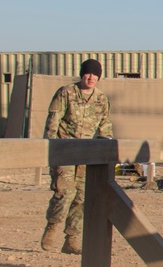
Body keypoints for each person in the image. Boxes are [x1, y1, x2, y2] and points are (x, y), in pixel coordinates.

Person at [41, 59, 113, 255]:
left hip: (87, 154)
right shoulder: (66, 93)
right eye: (88, 74)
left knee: (81, 197)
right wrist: (49, 147)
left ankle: (71, 239)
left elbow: (105, 127)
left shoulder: (101, 99)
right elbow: (53, 122)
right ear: (82, 74)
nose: (91, 78)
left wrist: (106, 151)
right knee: (64, 192)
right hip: (64, 150)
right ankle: (52, 227)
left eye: (95, 75)